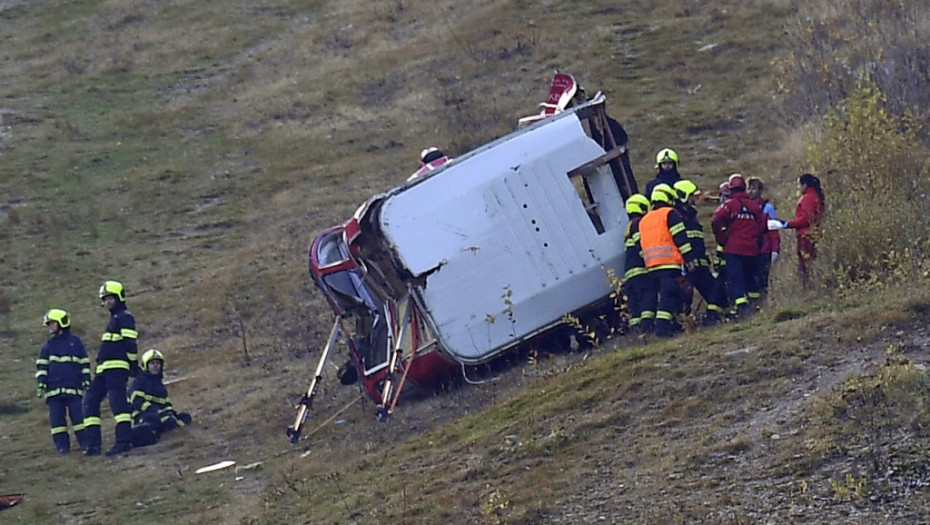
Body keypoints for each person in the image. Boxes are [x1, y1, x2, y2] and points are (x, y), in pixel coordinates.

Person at [83, 281, 139, 457]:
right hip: (104, 370)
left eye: (111, 298)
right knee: (89, 401)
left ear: (119, 298)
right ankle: (93, 445)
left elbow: (130, 344)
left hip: (117, 369)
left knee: (118, 405)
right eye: (105, 299)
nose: (108, 302)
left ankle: (123, 442)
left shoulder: (124, 317)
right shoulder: (115, 318)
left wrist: (133, 364)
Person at [639, 184, 698, 337]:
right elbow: (681, 239)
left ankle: (672, 326)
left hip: (652, 266)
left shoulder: (645, 219)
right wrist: (689, 259)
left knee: (666, 295)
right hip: (669, 263)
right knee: (668, 296)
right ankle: (662, 330)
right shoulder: (670, 214)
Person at [673, 180, 728, 326]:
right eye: (692, 196)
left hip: (701, 266)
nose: (694, 200)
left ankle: (714, 320)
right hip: (686, 267)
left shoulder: (691, 215)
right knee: (683, 300)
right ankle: (681, 326)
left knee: (717, 295)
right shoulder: (675, 216)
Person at [36, 309, 90, 454]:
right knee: (57, 422)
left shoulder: (75, 342)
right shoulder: (47, 346)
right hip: (54, 391)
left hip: (74, 388)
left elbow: (84, 363)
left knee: (79, 418)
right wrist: (41, 382)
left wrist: (86, 380)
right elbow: (42, 366)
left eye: (52, 323)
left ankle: (85, 442)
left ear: (61, 323)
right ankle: (62, 446)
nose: (50, 327)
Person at [711, 175, 766, 318]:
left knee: (736, 279)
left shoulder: (729, 205)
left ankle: (742, 308)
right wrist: (757, 245)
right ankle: (756, 306)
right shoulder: (755, 207)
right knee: (750, 279)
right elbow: (762, 229)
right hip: (752, 250)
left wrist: (722, 239)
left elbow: (716, 219)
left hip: (733, 250)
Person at [128, 349, 192, 448]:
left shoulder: (160, 386)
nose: (155, 366)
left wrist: (171, 415)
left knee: (184, 417)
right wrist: (155, 411)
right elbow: (137, 402)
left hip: (159, 415)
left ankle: (166, 426)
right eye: (152, 363)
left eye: (158, 363)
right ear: (146, 366)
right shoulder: (139, 381)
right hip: (141, 416)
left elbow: (166, 405)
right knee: (152, 419)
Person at [784, 173, 825, 285]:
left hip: (805, 235)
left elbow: (806, 218)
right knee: (811, 262)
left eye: (799, 184)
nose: (798, 187)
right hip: (814, 233)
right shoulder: (817, 196)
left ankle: (809, 287)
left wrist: (788, 224)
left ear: (805, 185)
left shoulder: (807, 198)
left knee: (805, 266)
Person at [621, 193, 652, 334]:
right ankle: (647, 328)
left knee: (635, 304)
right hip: (640, 269)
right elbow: (642, 244)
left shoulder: (628, 226)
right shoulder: (638, 224)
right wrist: (649, 261)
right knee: (647, 296)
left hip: (629, 271)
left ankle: (636, 331)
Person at [746, 177, 780, 295]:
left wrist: (774, 249)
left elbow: (773, 230)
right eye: (748, 189)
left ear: (760, 191)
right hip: (748, 249)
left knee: (761, 280)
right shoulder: (744, 206)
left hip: (763, 250)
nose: (750, 192)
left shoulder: (767, 208)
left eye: (753, 189)